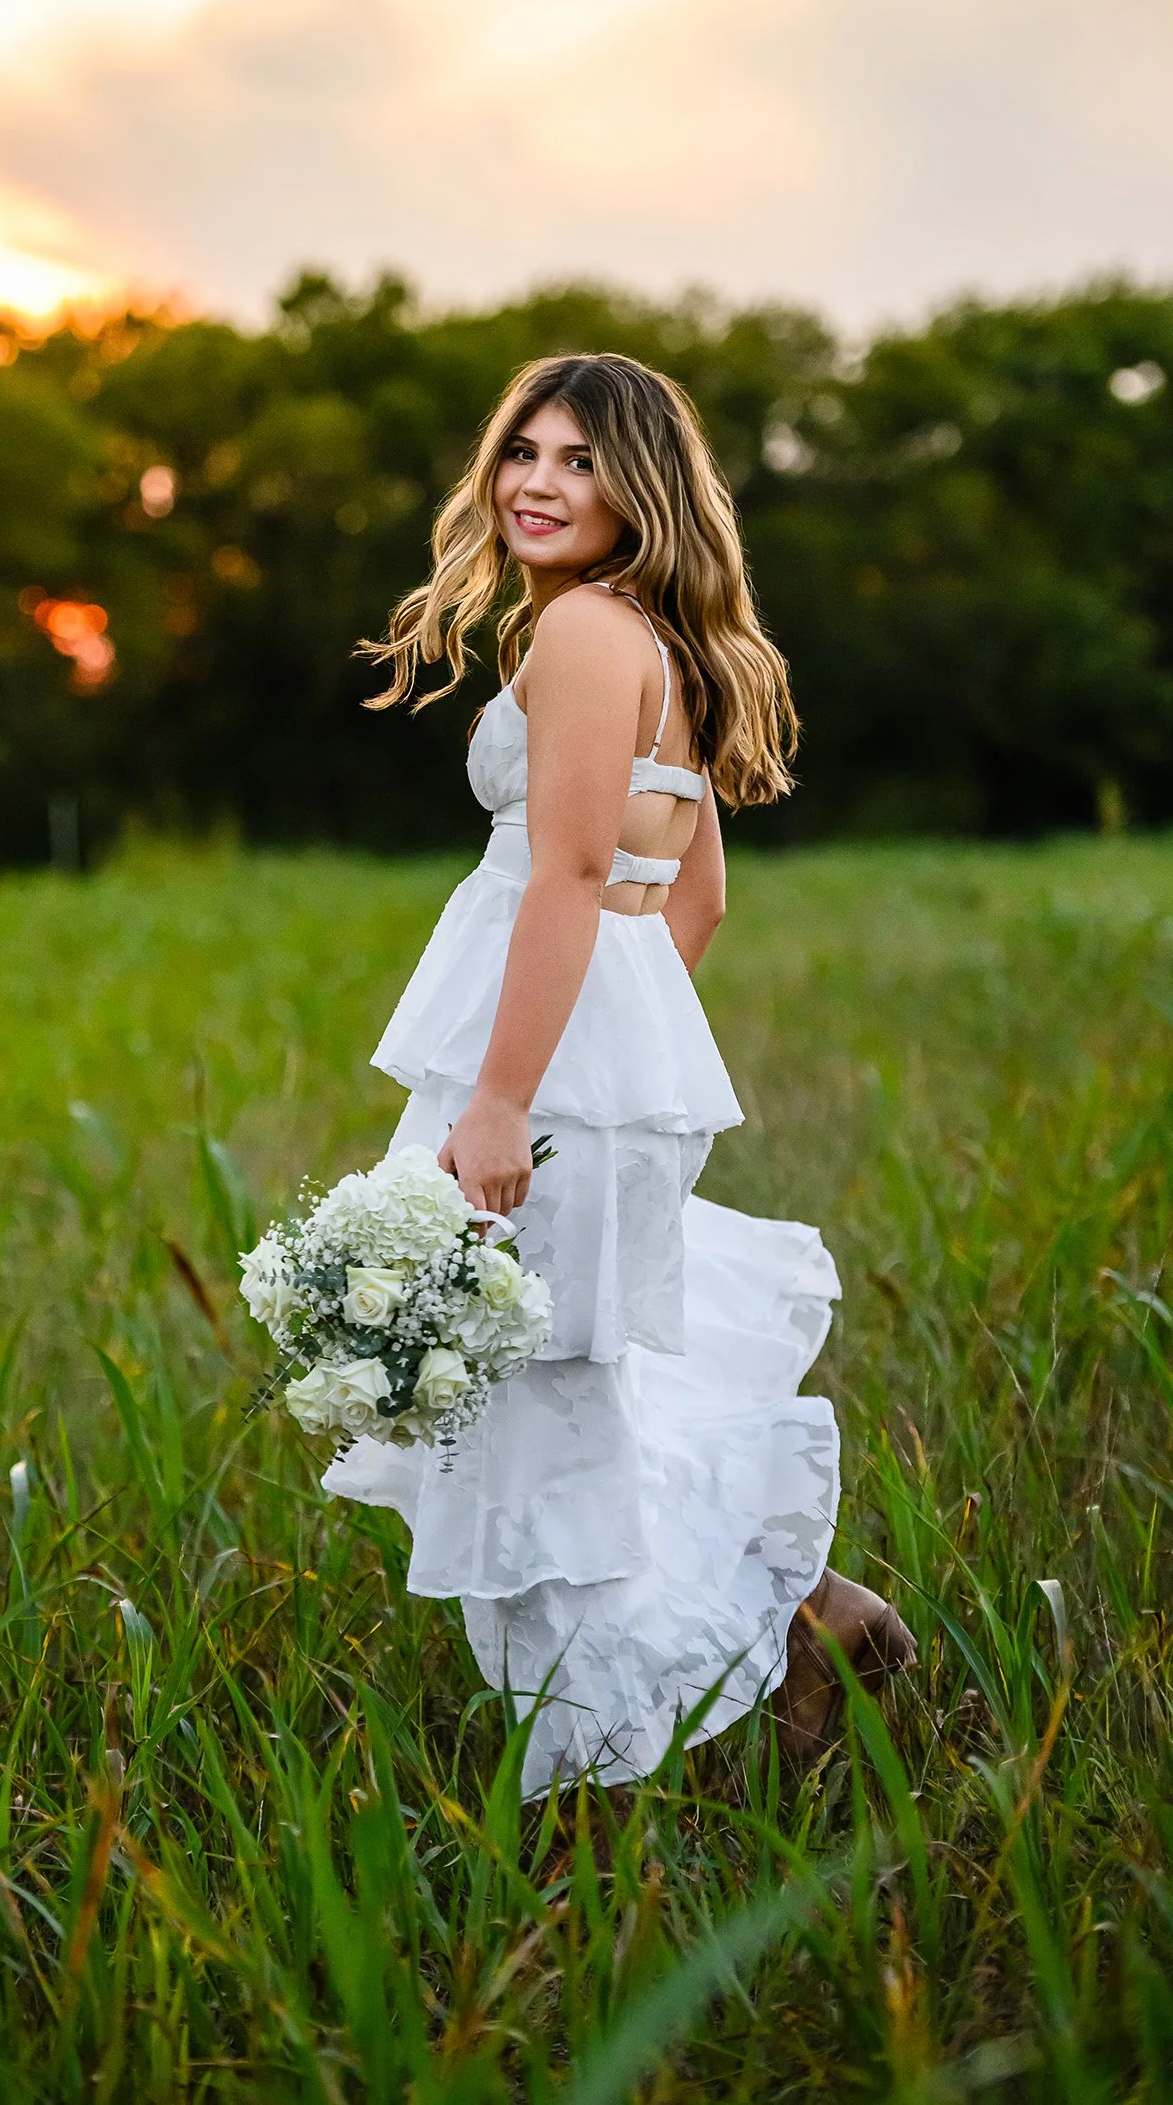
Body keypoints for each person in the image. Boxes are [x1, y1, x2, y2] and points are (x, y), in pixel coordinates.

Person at [323, 352, 915, 1798]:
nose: (537, 480)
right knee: (568, 1398)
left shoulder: (586, 633)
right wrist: (610, 1059)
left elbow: (577, 872)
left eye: (580, 459)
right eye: (523, 449)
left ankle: (622, 1763)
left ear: (639, 483)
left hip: (541, 1079)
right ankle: (796, 1626)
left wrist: (513, 1094)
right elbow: (689, 895)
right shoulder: (661, 639)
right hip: (601, 1072)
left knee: (534, 1429)